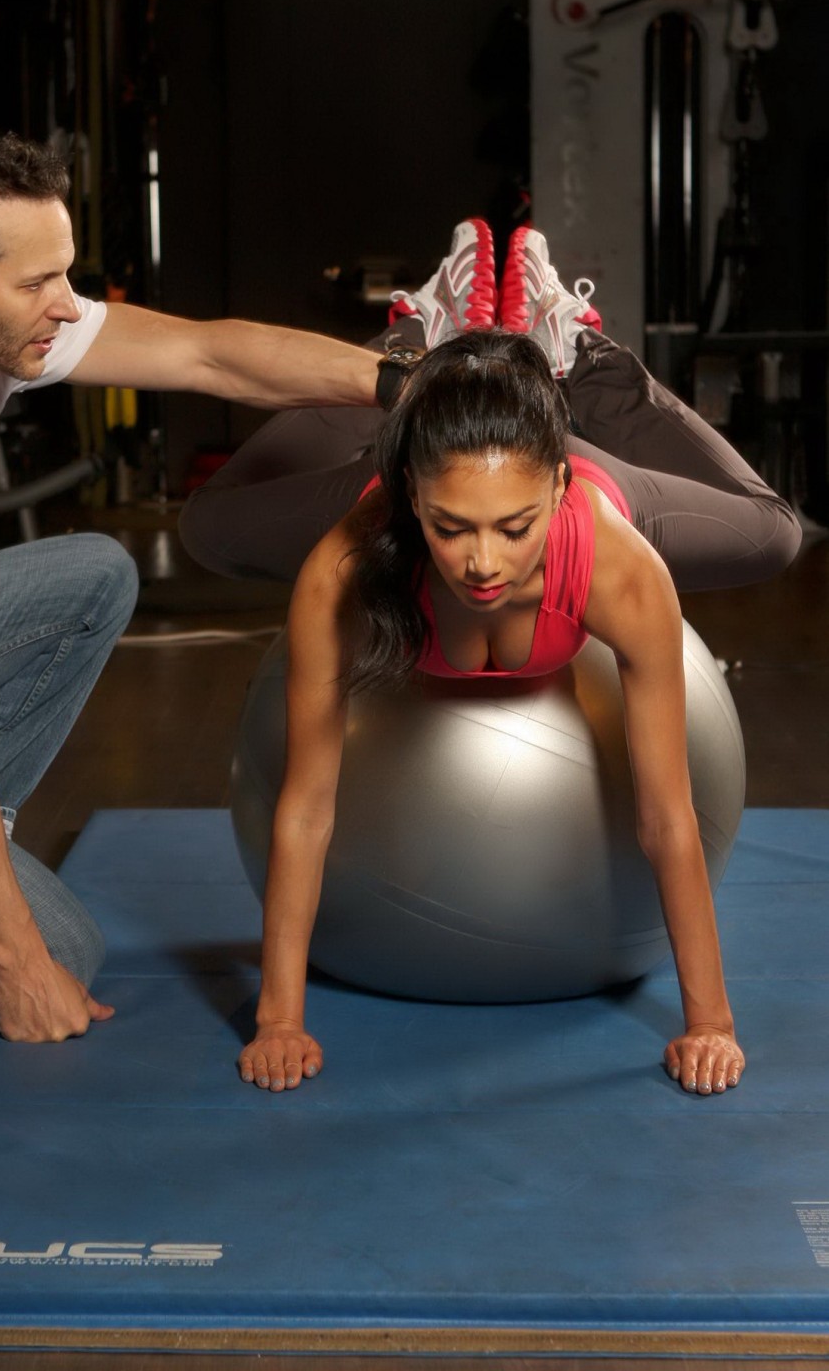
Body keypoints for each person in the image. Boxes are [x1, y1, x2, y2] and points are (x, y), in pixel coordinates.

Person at [0, 130, 391, 1045]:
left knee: (94, 575)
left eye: (64, 274)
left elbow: (208, 358)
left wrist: (398, 380)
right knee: (57, 954)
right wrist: (19, 964)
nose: (68, 308)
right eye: (38, 285)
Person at [189, 222, 802, 1099]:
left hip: (561, 458)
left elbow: (669, 815)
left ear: (554, 489)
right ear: (411, 503)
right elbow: (307, 806)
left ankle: (581, 355)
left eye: (512, 532)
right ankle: (412, 341)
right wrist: (279, 1019)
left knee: (773, 534)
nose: (483, 561)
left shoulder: (621, 570)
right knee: (209, 528)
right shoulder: (350, 564)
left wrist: (711, 1023)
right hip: (412, 449)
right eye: (452, 531)